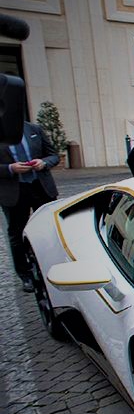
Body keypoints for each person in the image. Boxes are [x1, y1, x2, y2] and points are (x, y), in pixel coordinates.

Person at [0, 121, 59, 292]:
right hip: (14, 191)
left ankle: (54, 267)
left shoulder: (33, 129)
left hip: (41, 187)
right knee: (17, 234)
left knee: (50, 229)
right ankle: (26, 276)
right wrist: (10, 168)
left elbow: (53, 155)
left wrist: (44, 163)